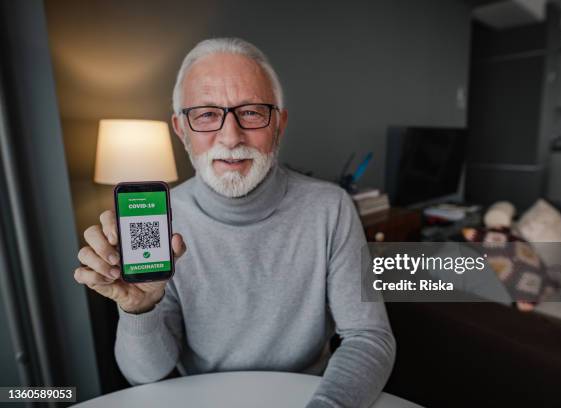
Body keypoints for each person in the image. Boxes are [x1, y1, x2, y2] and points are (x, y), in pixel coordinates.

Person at [74, 37, 396, 408]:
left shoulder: (331, 207)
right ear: (181, 129)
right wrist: (139, 311)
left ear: (279, 123)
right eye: (207, 114)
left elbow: (369, 336)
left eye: (252, 112)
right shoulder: (159, 223)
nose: (230, 137)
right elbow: (145, 375)